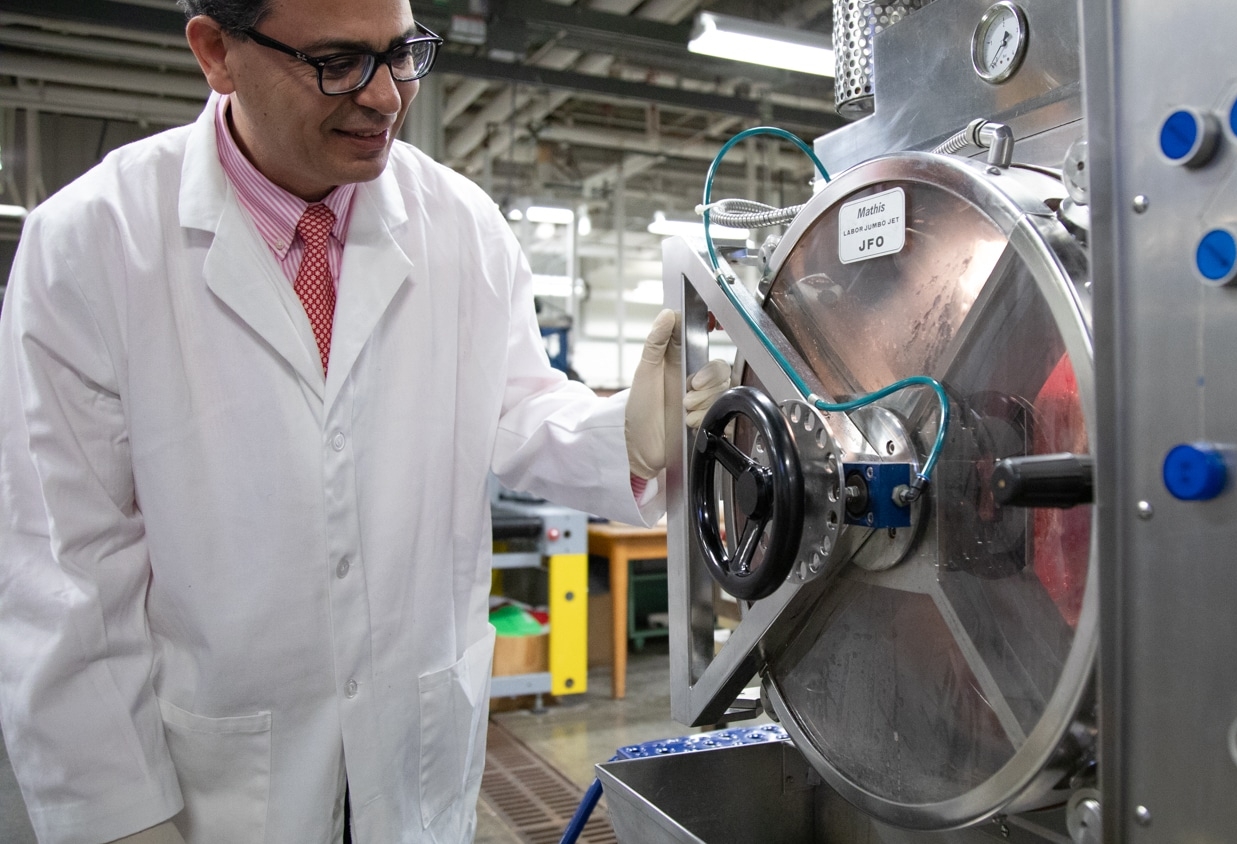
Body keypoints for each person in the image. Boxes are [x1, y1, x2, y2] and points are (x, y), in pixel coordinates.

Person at [0, 0, 730, 841]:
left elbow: (517, 408)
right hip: (215, 786)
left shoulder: (463, 226)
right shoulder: (93, 243)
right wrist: (117, 820)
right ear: (216, 53)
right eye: (338, 62)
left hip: (414, 758)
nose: (385, 97)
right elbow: (67, 577)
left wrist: (622, 434)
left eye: (402, 53)